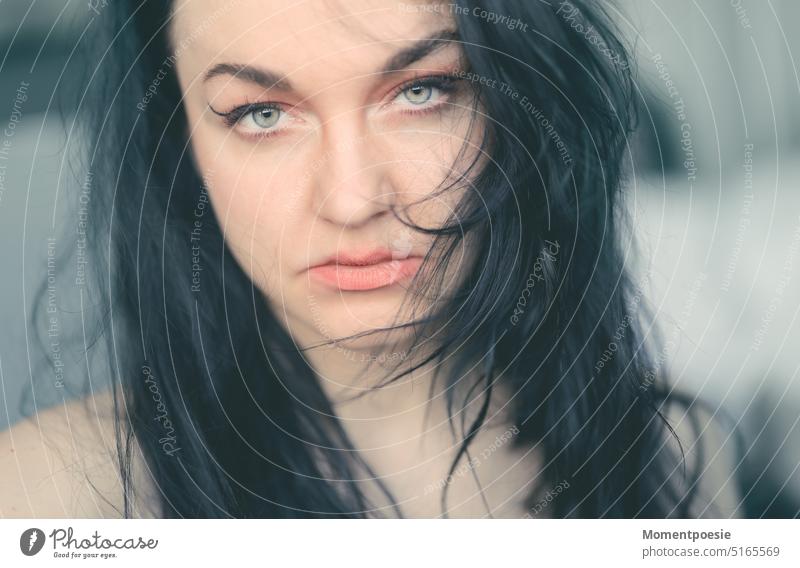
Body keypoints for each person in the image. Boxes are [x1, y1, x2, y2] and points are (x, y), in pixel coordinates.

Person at [1, 0, 742, 519]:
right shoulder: (54, 498)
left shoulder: (674, 455)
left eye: (422, 92)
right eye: (262, 114)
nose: (353, 200)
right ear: (181, 148)